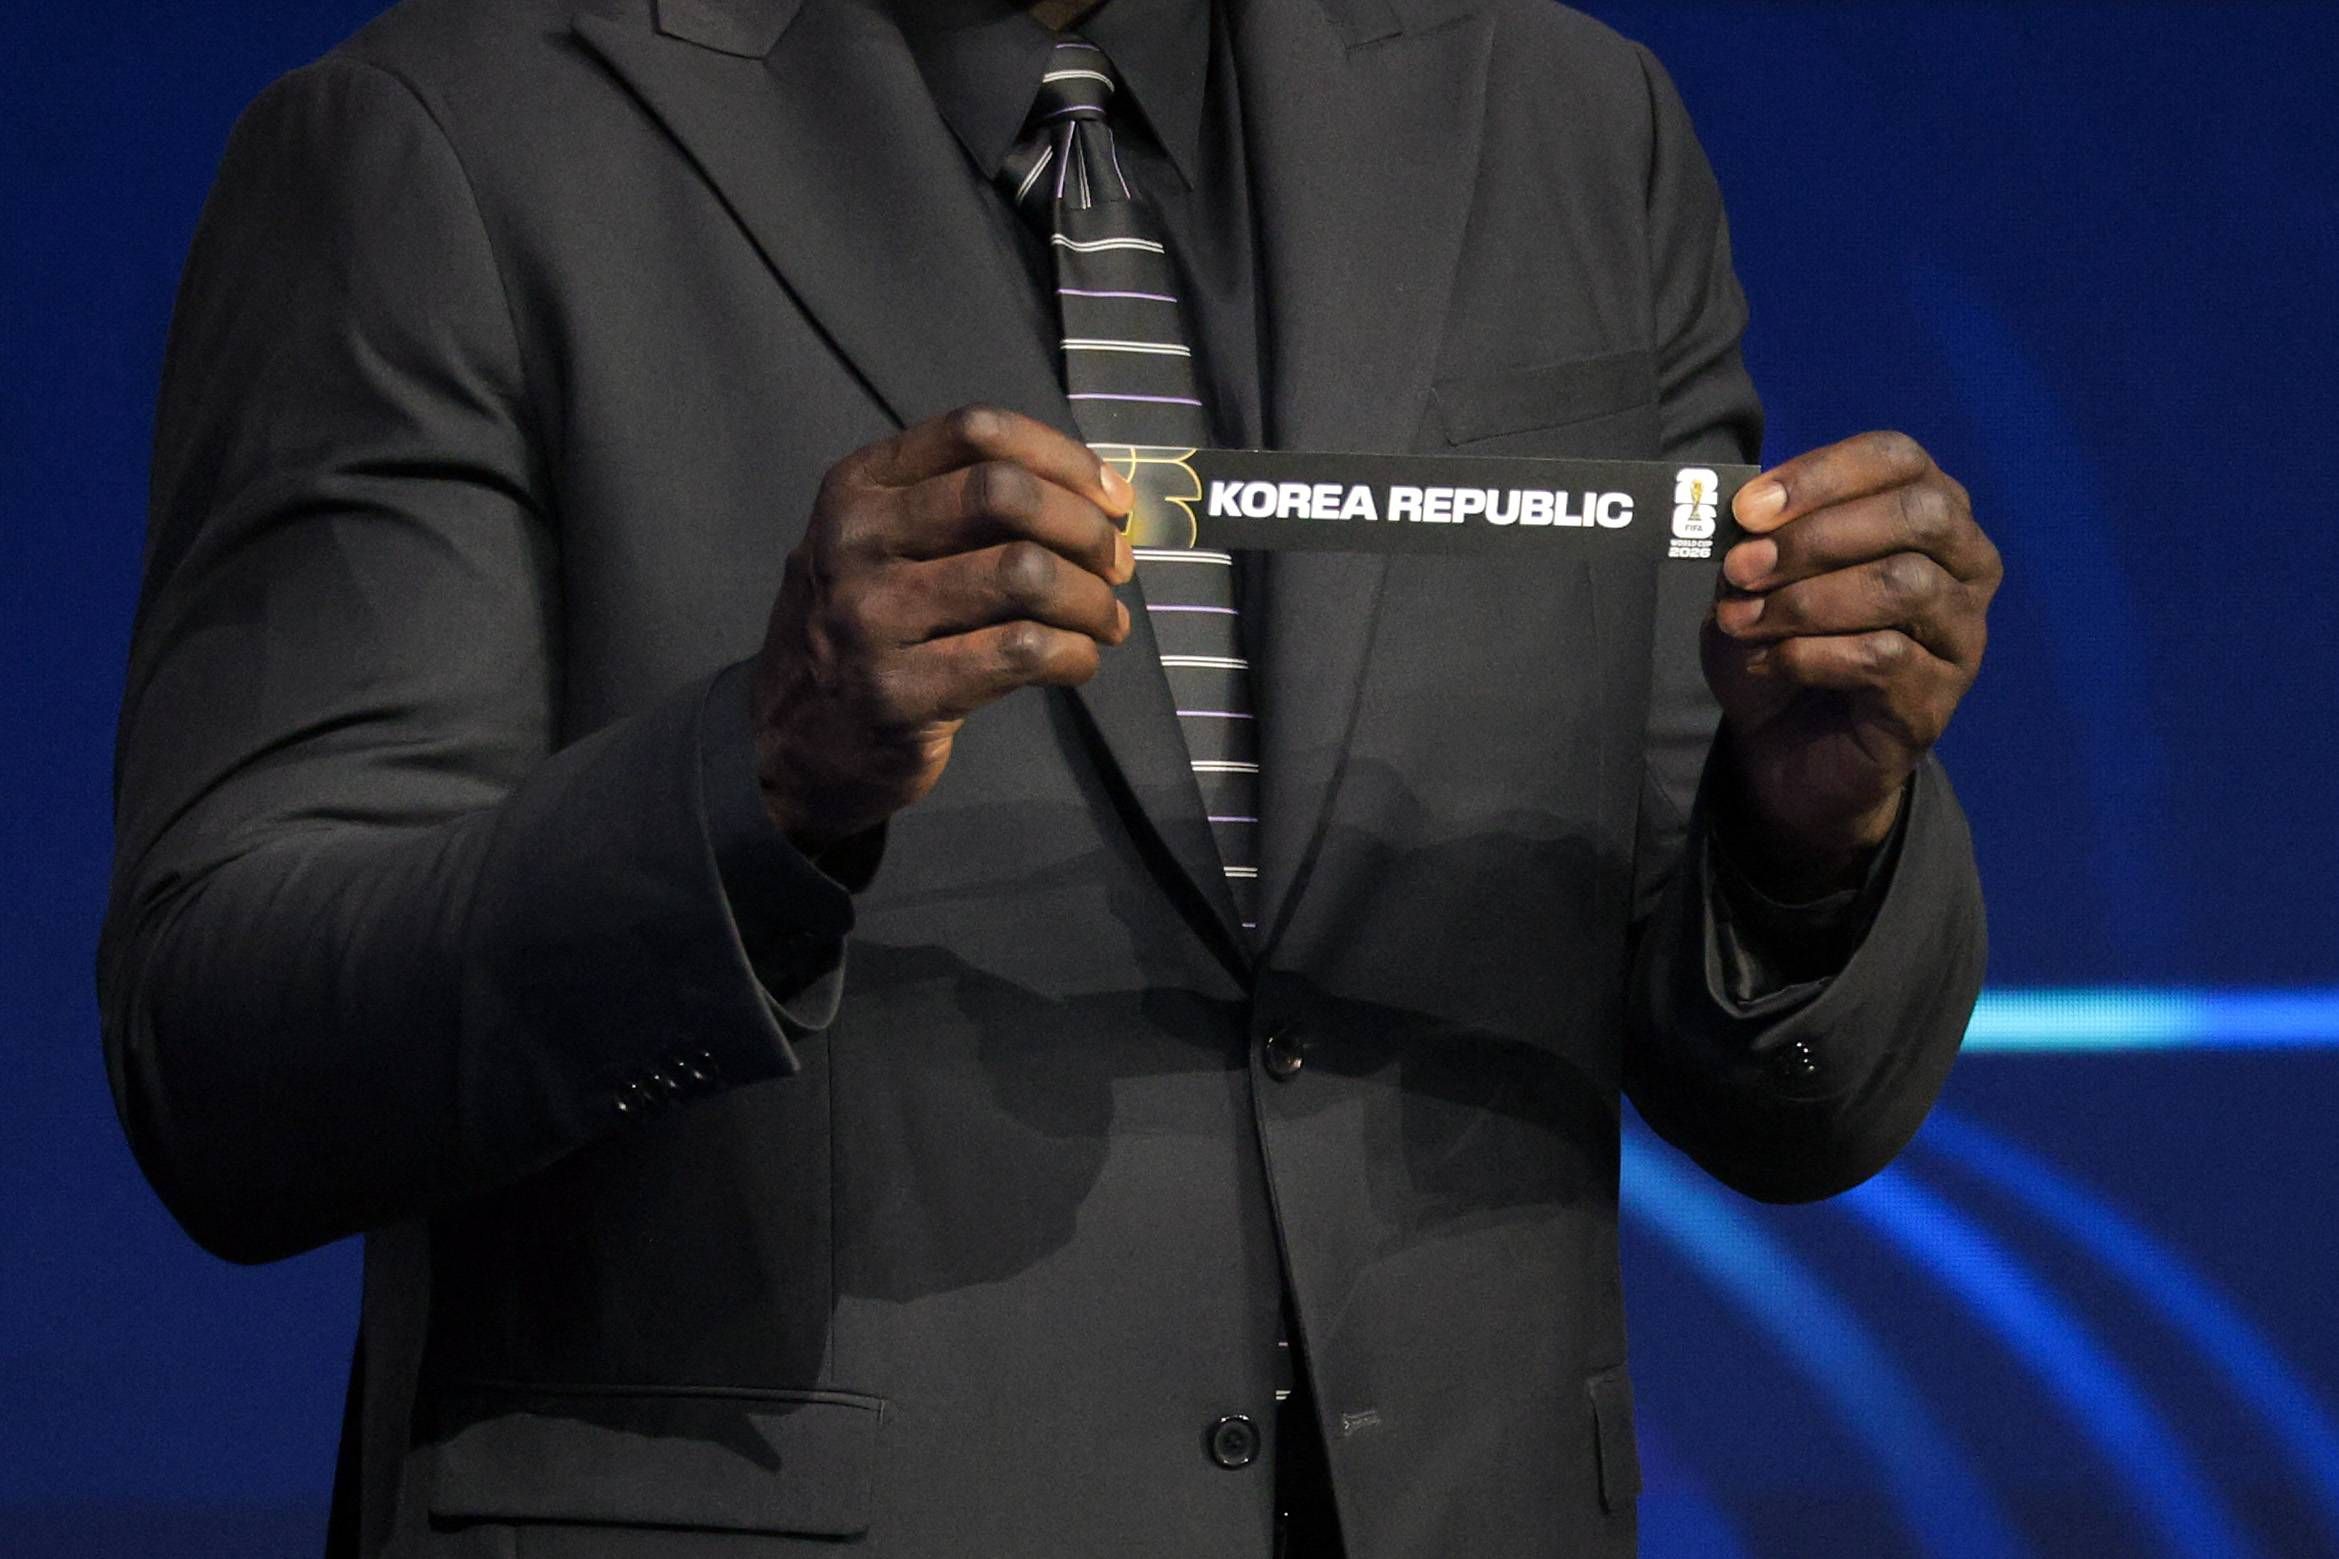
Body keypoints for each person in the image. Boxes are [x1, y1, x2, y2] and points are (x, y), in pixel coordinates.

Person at [98, 0, 2001, 1552]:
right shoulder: (442, 139)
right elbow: (227, 1057)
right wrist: (760, 782)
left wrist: (1809, 835)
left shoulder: (1572, 121)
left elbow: (1787, 1091)